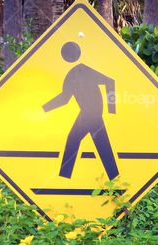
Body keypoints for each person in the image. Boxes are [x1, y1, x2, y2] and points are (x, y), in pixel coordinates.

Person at [42, 41, 119, 180]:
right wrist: (44, 108)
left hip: (92, 114)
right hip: (87, 113)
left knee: (76, 141)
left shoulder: (83, 70)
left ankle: (64, 177)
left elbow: (109, 82)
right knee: (99, 144)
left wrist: (111, 109)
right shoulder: (71, 75)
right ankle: (114, 177)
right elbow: (64, 99)